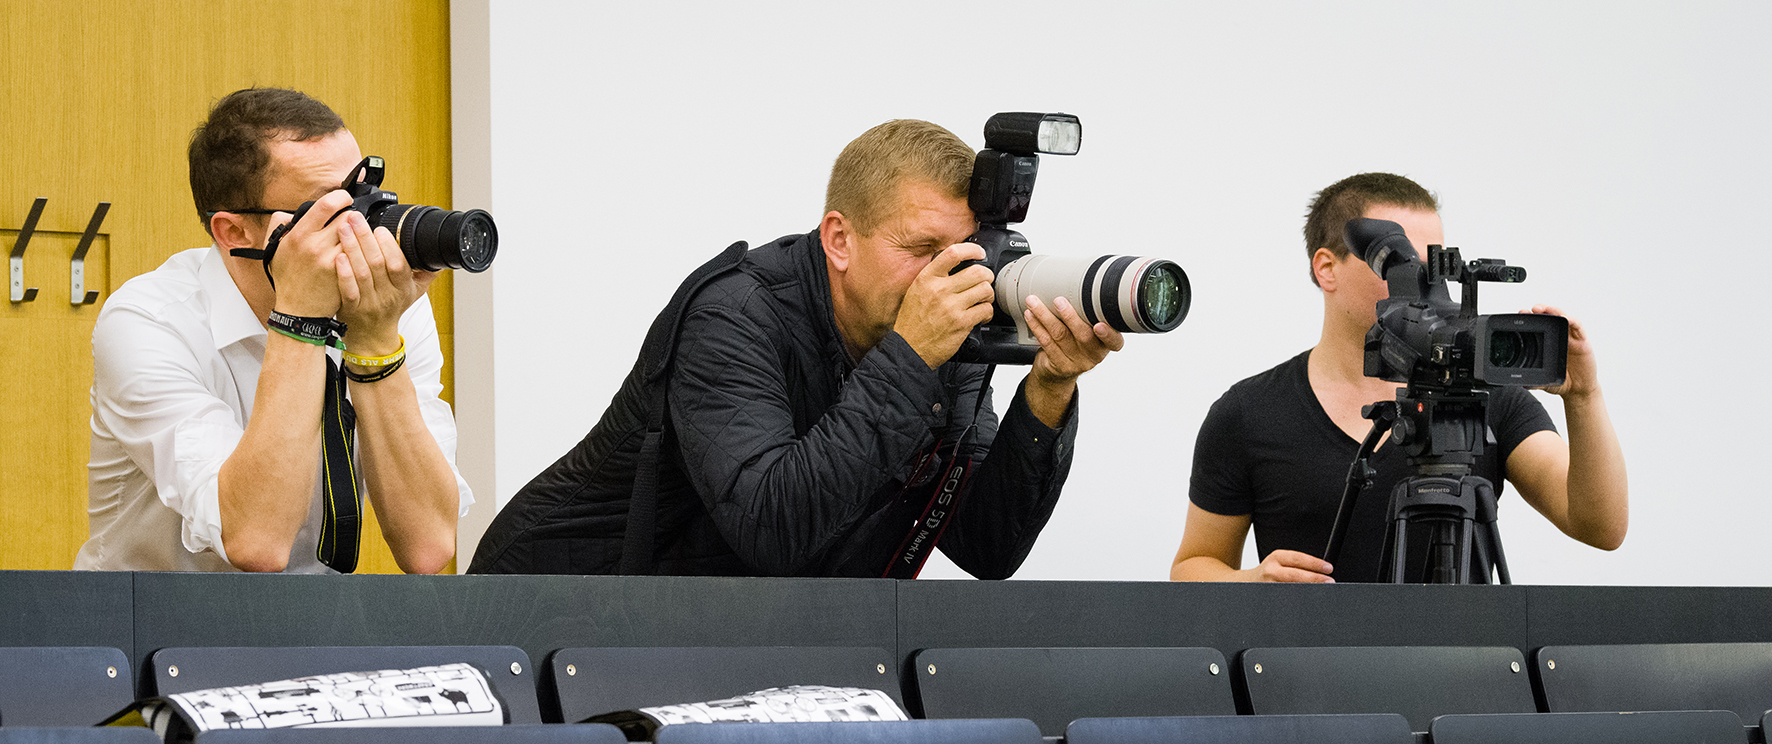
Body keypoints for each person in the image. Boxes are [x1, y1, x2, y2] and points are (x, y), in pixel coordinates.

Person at [468, 118, 1121, 577]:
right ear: (839, 238)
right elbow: (773, 528)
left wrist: (1048, 391)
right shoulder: (734, 315)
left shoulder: (934, 340)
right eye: (921, 250)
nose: (940, 277)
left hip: (704, 635)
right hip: (546, 615)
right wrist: (910, 356)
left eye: (959, 255)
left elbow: (987, 547)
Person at [76, 87, 470, 574]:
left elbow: (429, 545)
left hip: (304, 630)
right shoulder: (149, 321)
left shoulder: (384, 308)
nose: (363, 229)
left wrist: (374, 342)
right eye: (329, 210)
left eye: (362, 197)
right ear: (234, 232)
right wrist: (300, 319)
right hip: (151, 630)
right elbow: (255, 542)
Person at [1170, 172, 1627, 584]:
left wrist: (1583, 396)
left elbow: (1599, 526)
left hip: (1465, 673)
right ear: (1326, 268)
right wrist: (1251, 583)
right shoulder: (1250, 413)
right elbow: (1193, 566)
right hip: (1311, 671)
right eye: (1402, 264)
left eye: (1435, 264)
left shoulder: (1487, 394)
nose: (1425, 284)